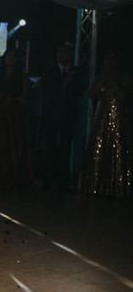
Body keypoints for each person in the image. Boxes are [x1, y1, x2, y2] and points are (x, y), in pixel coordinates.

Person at [78, 50, 132, 198]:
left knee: (118, 148)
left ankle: (118, 185)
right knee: (98, 148)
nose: (110, 63)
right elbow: (91, 94)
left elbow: (123, 96)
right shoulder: (100, 77)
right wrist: (104, 78)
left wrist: (113, 79)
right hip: (101, 117)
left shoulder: (125, 77)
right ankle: (95, 183)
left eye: (113, 59)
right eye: (107, 59)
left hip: (119, 118)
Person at [0, 49, 32, 189]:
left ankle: (13, 177)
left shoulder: (22, 75)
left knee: (13, 144)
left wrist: (12, 100)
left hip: (14, 114)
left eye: (13, 56)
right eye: (8, 56)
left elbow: (24, 96)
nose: (10, 59)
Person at [40, 43, 83, 189]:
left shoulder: (76, 72)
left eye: (64, 52)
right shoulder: (49, 70)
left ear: (70, 54)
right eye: (59, 52)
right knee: (49, 146)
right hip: (51, 114)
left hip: (68, 115)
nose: (61, 55)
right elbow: (44, 90)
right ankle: (47, 178)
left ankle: (63, 179)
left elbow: (79, 92)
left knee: (65, 148)